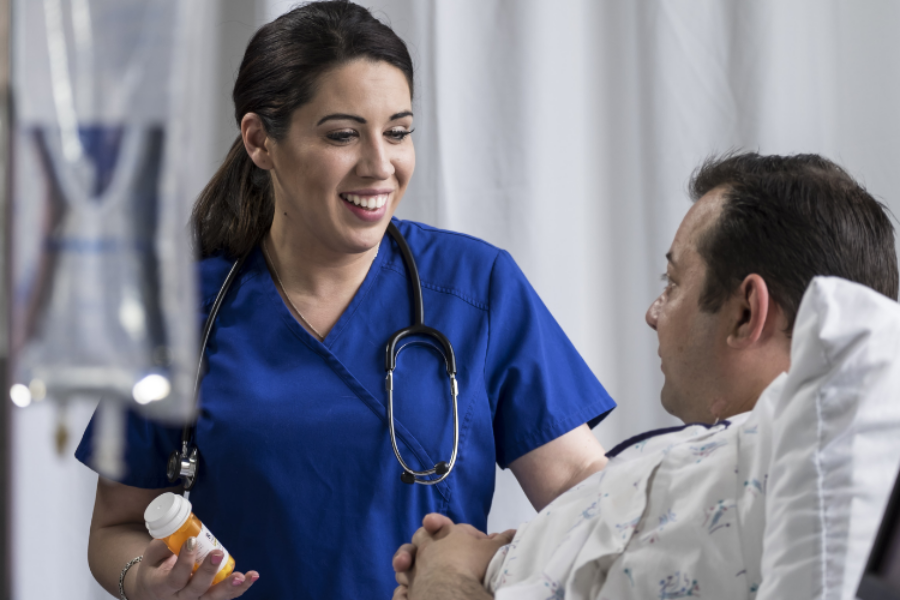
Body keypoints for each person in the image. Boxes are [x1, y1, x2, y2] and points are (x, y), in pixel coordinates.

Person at [74, 2, 616, 599]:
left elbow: (583, 493)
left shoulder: (475, 286)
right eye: (342, 135)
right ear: (259, 141)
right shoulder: (177, 313)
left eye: (398, 132)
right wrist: (142, 582)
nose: (380, 165)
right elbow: (116, 527)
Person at [391, 152, 900, 599]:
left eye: (673, 283)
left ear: (747, 313)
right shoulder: (709, 465)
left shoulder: (765, 499)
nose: (653, 313)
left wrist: (446, 577)